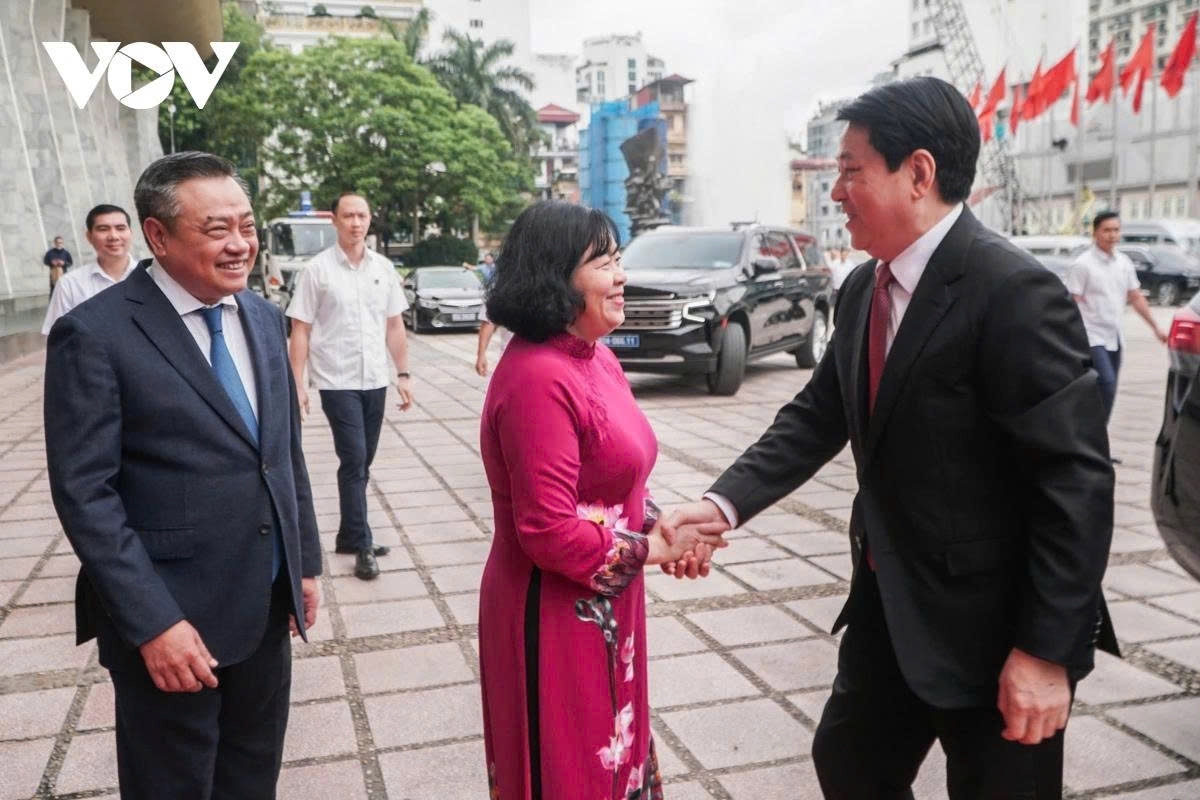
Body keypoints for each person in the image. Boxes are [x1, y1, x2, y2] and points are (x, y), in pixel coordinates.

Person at [663, 77, 1118, 798]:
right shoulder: (862, 289)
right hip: (891, 603)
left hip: (993, 625)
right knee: (850, 765)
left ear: (919, 173)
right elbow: (818, 414)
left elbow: (1075, 481)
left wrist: (1045, 653)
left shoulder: (1011, 293)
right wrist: (722, 505)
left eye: (851, 170)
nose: (836, 191)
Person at [44, 151, 321, 799]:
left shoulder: (262, 317)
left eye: (246, 226)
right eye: (217, 229)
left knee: (251, 778)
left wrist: (302, 561)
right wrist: (153, 623)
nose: (240, 244)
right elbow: (86, 494)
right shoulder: (95, 334)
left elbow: (283, 452)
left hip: (264, 605)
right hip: (172, 625)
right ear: (158, 235)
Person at [477, 201, 727, 800]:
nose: (621, 276)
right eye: (603, 264)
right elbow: (547, 530)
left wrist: (667, 528)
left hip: (606, 602)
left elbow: (616, 481)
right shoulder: (537, 377)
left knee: (615, 753)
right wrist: (653, 550)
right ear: (554, 278)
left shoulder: (599, 358)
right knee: (573, 766)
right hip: (551, 610)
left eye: (618, 260)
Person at [287, 191, 413, 581]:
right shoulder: (317, 270)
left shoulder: (383, 268)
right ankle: (362, 544)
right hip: (336, 379)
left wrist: (403, 374)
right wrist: (297, 383)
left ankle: (349, 534)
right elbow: (300, 329)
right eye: (348, 216)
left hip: (374, 378)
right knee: (355, 459)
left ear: (370, 219)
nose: (356, 223)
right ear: (335, 221)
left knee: (361, 462)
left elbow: (394, 325)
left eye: (362, 216)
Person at [1067, 210, 1168, 422]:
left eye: (1116, 230)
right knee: (1106, 383)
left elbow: (1136, 297)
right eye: (1107, 230)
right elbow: (1072, 303)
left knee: (1107, 390)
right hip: (1091, 336)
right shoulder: (1083, 264)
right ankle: (1094, 437)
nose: (1112, 235)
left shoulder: (1123, 263)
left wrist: (1156, 327)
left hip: (1114, 336)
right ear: (1095, 232)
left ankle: (1095, 436)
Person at [41, 205, 138, 334]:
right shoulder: (69, 284)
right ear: (89, 236)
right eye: (103, 229)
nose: (114, 236)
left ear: (131, 233)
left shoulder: (151, 277)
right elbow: (56, 337)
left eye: (120, 228)